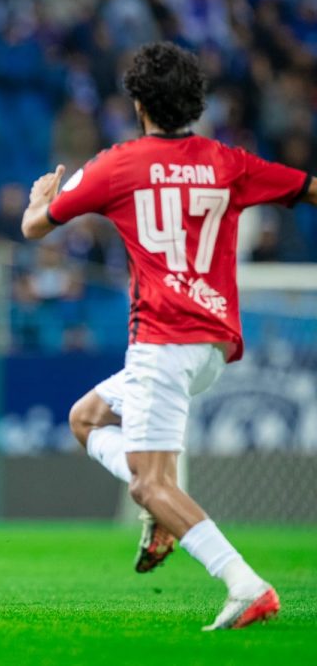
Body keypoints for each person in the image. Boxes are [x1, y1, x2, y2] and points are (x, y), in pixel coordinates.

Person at [21, 41, 317, 631]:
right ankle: (162, 513)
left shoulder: (117, 164)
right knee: (86, 419)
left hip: (162, 341)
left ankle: (244, 583)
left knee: (149, 482)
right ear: (195, 103)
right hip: (212, 346)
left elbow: (35, 228)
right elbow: (309, 187)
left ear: (138, 104)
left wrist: (38, 201)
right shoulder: (227, 162)